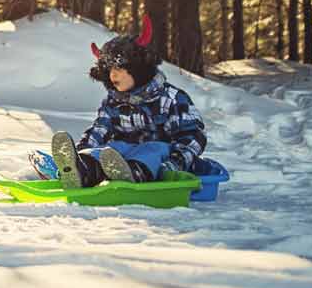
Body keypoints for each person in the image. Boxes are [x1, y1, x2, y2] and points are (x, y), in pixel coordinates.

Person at [50, 18, 207, 188]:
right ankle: (81, 170)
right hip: (118, 156)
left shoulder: (170, 98)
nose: (113, 76)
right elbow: (100, 130)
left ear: (137, 69)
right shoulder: (113, 101)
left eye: (118, 69)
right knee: (105, 151)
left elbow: (192, 136)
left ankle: (132, 174)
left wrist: (176, 162)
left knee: (152, 150)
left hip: (161, 158)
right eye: (109, 70)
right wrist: (83, 151)